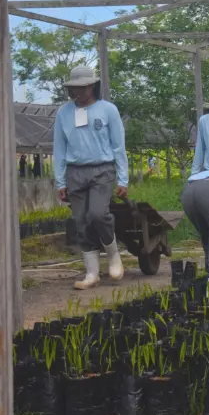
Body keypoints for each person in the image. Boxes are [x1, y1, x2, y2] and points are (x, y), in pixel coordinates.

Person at [53, 65, 128, 290]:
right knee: (80, 220)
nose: (79, 92)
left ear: (93, 86)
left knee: (97, 213)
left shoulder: (108, 110)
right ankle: (92, 273)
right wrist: (60, 181)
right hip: (75, 172)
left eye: (83, 87)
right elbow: (59, 148)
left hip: (102, 169)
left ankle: (113, 254)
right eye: (75, 88)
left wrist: (123, 179)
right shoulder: (64, 113)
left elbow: (118, 146)